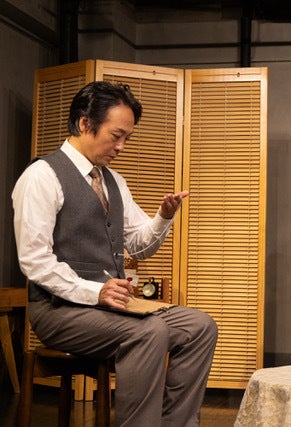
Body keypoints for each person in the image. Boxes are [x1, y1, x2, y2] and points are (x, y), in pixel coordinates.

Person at [12, 81, 218, 426]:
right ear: (85, 123)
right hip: (57, 311)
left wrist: (163, 217)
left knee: (200, 327)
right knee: (149, 332)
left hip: (111, 308)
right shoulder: (41, 176)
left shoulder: (114, 182)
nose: (121, 147)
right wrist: (95, 292)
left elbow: (139, 246)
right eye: (116, 135)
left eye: (127, 138)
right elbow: (34, 261)